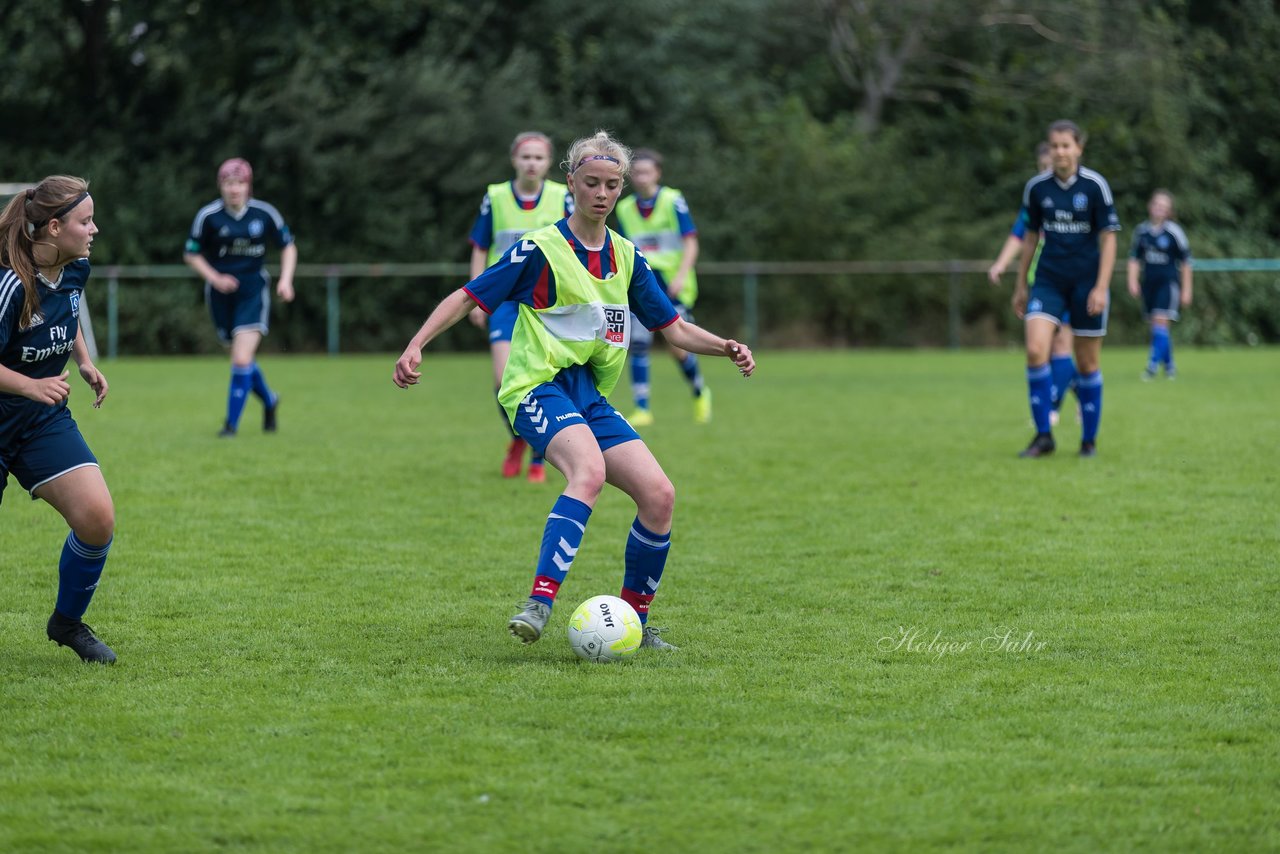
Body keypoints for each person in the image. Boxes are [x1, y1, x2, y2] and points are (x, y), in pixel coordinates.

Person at [394, 131, 755, 651]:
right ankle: (539, 604)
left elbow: (673, 328)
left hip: (588, 396)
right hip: (536, 388)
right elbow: (468, 296)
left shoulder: (627, 259)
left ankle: (634, 621)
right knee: (589, 471)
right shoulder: (540, 250)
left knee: (659, 496)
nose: (602, 193)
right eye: (591, 183)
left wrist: (725, 346)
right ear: (572, 184)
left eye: (612, 185)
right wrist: (416, 344)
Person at [0, 176, 116, 663]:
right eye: (85, 221)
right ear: (53, 227)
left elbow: (66, 314)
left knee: (97, 519)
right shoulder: (9, 283)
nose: (94, 229)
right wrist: (31, 385)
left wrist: (83, 359)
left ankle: (66, 623)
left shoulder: (77, 267)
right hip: (15, 407)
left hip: (42, 422)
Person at [467, 131, 573, 482]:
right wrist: (477, 298)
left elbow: (576, 248)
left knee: (542, 379)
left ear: (548, 163)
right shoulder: (495, 196)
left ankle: (540, 454)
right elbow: (481, 247)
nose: (532, 163)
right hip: (505, 299)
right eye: (526, 157)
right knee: (502, 381)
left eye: (539, 158)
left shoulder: (562, 197)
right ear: (514, 159)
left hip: (547, 304)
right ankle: (518, 440)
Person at [1013, 120, 1120, 458]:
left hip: (1087, 284)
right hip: (1048, 281)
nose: (1060, 151)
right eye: (1055, 145)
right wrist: (1020, 284)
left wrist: (1101, 287)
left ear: (1078, 148)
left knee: (1087, 364)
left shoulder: (1095, 187)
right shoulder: (1036, 189)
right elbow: (1029, 238)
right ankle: (1044, 435)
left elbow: (1109, 238)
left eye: (1066, 145)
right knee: (1035, 351)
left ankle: (1088, 441)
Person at [183, 158, 296, 437]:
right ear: (221, 186)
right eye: (229, 183)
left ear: (249, 186)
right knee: (239, 358)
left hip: (252, 292)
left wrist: (285, 280)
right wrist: (215, 278)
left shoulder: (265, 214)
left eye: (240, 183)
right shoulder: (209, 216)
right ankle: (269, 400)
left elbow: (288, 246)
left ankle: (230, 426)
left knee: (242, 358)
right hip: (220, 296)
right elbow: (191, 253)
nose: (235, 189)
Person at [613, 149, 708, 425]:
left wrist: (681, 275)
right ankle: (642, 408)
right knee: (638, 343)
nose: (642, 177)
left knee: (677, 345)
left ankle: (700, 390)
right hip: (643, 280)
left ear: (658, 173)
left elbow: (690, 241)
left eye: (647, 172)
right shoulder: (625, 207)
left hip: (673, 283)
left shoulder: (672, 200)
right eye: (637, 172)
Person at [989, 142, 1077, 425]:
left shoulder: (1078, 198)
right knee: (1044, 350)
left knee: (1061, 345)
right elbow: (1020, 235)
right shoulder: (1037, 199)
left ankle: (1052, 408)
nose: (1045, 172)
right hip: (1040, 282)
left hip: (1069, 280)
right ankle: (1081, 392)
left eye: (1048, 167)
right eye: (1041, 167)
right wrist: (1002, 263)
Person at [1127, 190, 1192, 380]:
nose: (1159, 209)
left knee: (1161, 321)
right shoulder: (1142, 232)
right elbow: (1134, 259)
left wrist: (1187, 290)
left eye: (1164, 207)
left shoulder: (1174, 232)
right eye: (1157, 205)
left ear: (1169, 211)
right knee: (1157, 327)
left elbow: (1187, 262)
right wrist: (1132, 281)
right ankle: (1170, 366)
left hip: (1168, 284)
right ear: (1150, 206)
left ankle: (1152, 366)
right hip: (1149, 284)